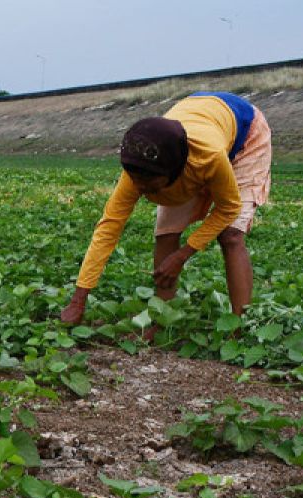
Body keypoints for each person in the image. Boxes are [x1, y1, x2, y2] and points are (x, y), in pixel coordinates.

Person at [59, 92, 272, 331]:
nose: (141, 190)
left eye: (149, 185)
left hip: (245, 133)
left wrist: (183, 255)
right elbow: (109, 227)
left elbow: (228, 207)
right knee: (166, 233)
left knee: (231, 235)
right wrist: (79, 298)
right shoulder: (141, 169)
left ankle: (239, 326)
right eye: (136, 181)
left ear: (176, 172)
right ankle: (161, 322)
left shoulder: (207, 158)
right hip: (199, 120)